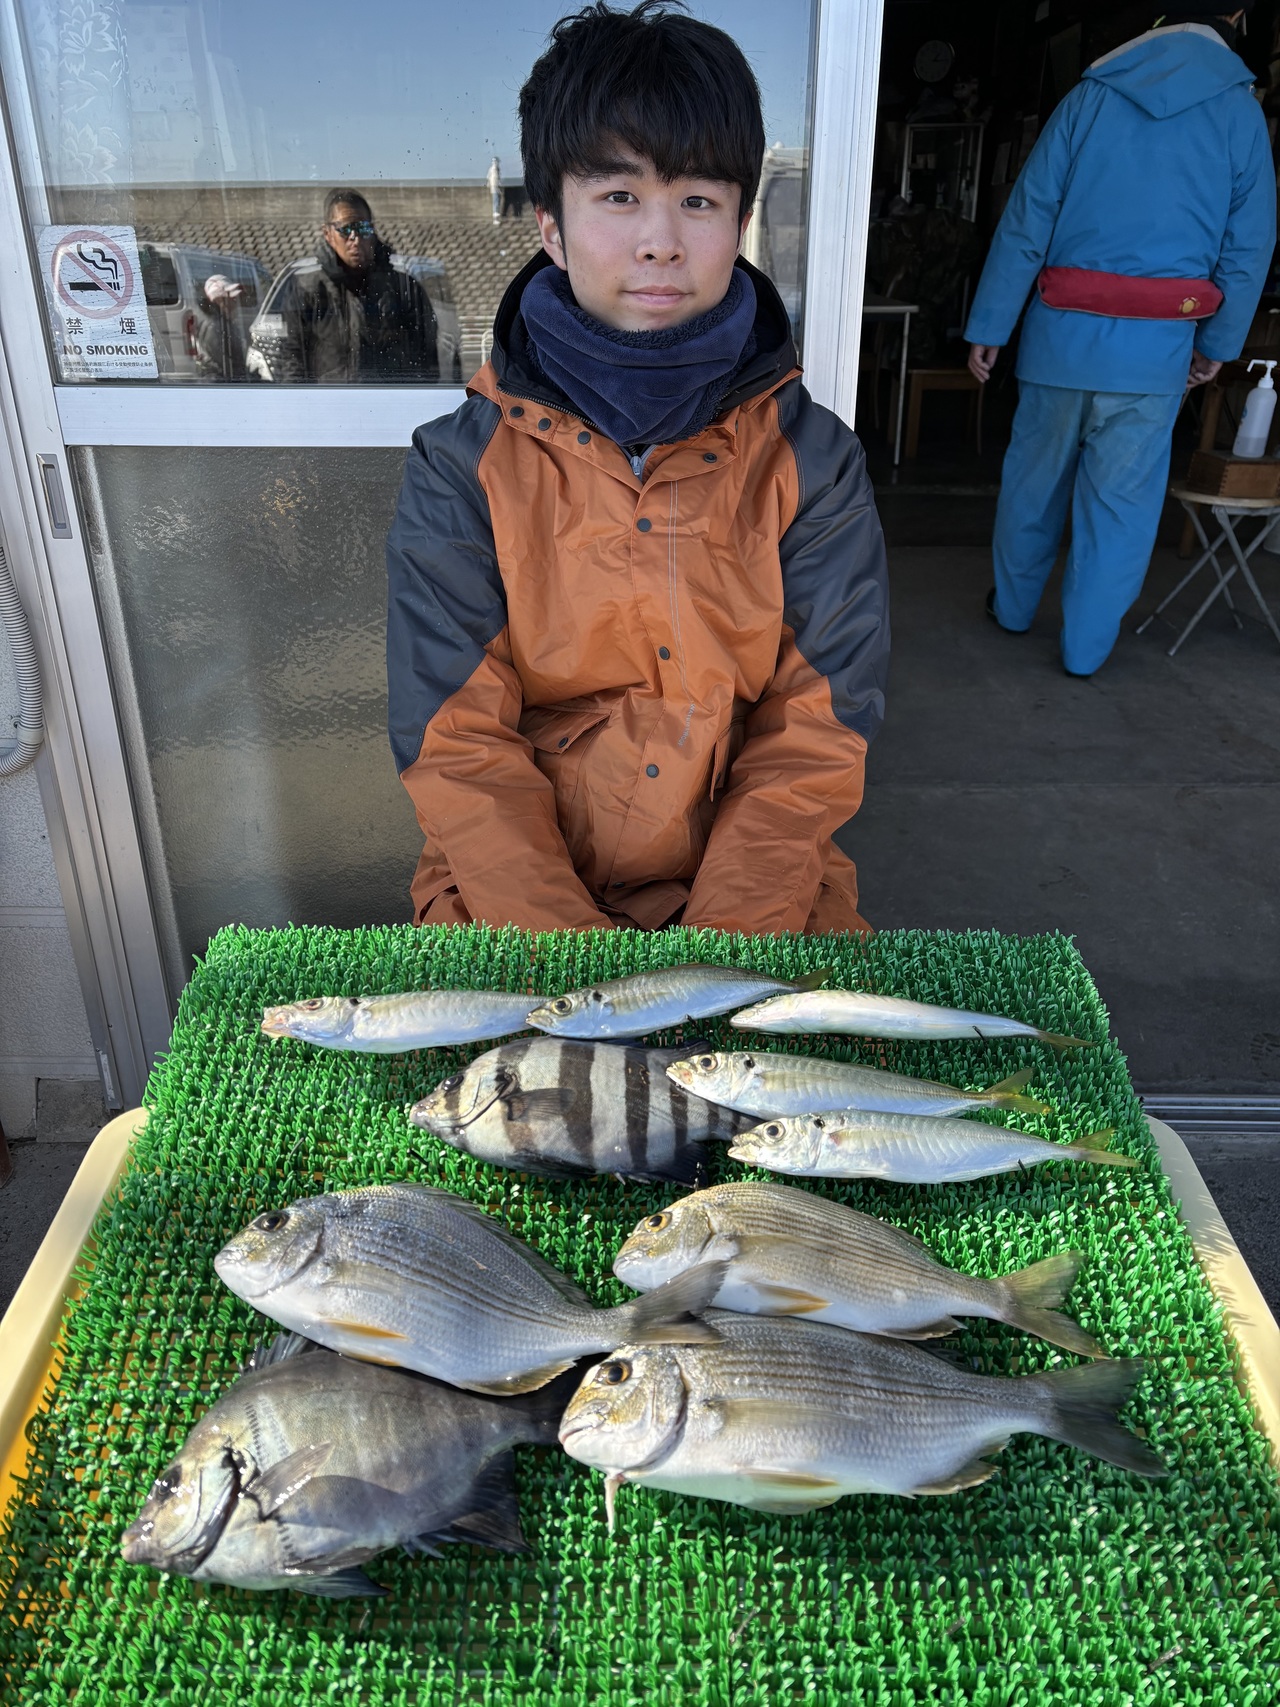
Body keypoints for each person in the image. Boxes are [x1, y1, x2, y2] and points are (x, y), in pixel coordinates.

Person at [385, 0, 889, 935]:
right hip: (512, 908)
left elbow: (817, 733)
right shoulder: (460, 466)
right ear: (550, 225)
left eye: (698, 200)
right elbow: (457, 743)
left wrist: (711, 965)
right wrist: (578, 972)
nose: (661, 239)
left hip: (762, 903)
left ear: (740, 220)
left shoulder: (814, 461)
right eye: (619, 196)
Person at [965, 5, 1275, 676]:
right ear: (1230, 23)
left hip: (1059, 340)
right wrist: (1217, 344)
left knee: (1032, 485)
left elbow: (1029, 217)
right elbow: (1248, 247)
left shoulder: (1091, 96)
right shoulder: (1240, 113)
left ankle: (1013, 609)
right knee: (1121, 508)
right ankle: (1085, 650)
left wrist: (992, 325)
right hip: (1157, 353)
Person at [254, 189, 438, 383]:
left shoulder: (403, 288)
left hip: (390, 399)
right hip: (328, 400)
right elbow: (291, 360)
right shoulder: (307, 289)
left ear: (372, 231)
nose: (355, 238)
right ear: (327, 234)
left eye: (363, 228)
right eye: (345, 229)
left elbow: (427, 361)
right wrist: (302, 400)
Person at [488, 155, 504, 224]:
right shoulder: (494, 169)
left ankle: (496, 219)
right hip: (495, 188)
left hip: (496, 188)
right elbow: (494, 179)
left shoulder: (495, 169)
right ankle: (495, 220)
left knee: (496, 202)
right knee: (496, 202)